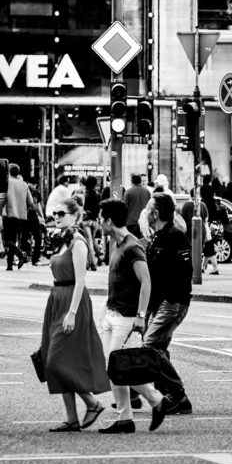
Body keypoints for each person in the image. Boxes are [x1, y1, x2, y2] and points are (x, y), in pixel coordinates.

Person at [96, 198, 169, 434]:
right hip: (112, 314)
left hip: (127, 318)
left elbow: (146, 282)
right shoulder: (116, 244)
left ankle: (155, 400)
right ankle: (126, 417)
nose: (98, 221)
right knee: (116, 368)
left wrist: (140, 316)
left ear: (108, 221)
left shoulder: (132, 246)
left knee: (116, 367)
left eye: (100, 217)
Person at [39, 197, 110, 432]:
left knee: (57, 361)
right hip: (57, 300)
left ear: (74, 216)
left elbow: (81, 281)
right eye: (55, 214)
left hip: (72, 302)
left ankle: (92, 403)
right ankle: (71, 418)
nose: (56, 217)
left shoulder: (78, 242)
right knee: (55, 359)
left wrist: (71, 313)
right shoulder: (62, 239)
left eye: (61, 214)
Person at [143, 193, 194, 415]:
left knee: (150, 346)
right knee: (159, 347)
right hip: (158, 304)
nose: (145, 212)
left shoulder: (175, 236)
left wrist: (171, 301)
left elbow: (186, 273)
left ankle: (177, 392)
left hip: (172, 303)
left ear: (156, 213)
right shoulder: (156, 237)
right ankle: (172, 397)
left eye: (148, 209)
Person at [2, 163, 35, 271]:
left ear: (8, 171)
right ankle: (9, 265)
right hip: (20, 216)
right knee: (12, 238)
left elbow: (1, 197)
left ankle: (20, 254)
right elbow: (31, 202)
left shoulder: (7, 182)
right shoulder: (24, 185)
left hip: (8, 213)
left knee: (7, 240)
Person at [82, 175, 102, 269]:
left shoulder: (84, 194)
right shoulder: (98, 195)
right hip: (95, 222)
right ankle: (99, 254)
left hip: (85, 221)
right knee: (92, 240)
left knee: (88, 242)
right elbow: (99, 208)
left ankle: (92, 263)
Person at [124, 174, 151, 239]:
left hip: (130, 222)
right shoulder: (147, 192)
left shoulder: (128, 192)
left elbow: (125, 208)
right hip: (144, 222)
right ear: (140, 181)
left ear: (132, 182)